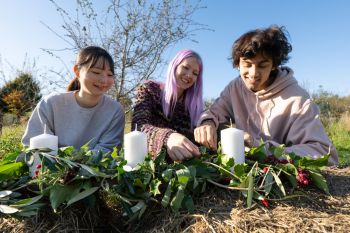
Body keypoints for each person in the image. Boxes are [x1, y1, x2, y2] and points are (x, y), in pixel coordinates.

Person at [194, 25, 338, 165]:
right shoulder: (234, 88)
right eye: (247, 64)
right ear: (238, 64)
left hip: (278, 180)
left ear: (274, 65)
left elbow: (325, 154)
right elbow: (214, 112)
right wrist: (207, 123)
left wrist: (261, 148)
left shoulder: (299, 101)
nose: (254, 73)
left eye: (262, 65)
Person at [22, 46, 125, 155]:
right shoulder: (51, 104)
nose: (104, 80)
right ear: (77, 71)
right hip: (50, 169)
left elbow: (108, 150)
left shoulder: (115, 110)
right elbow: (33, 146)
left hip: (94, 170)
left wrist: (77, 168)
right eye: (96, 72)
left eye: (109, 75)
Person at [131, 49, 204, 161]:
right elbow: (139, 126)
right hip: (145, 166)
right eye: (185, 67)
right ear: (175, 66)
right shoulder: (149, 90)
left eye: (195, 73)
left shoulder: (195, 108)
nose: (189, 75)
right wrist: (167, 137)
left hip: (181, 173)